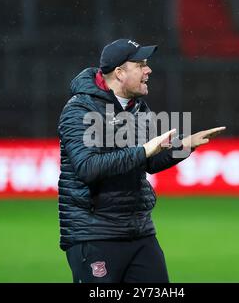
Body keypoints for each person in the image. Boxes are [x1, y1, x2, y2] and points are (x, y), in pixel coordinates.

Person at [57, 38, 225, 283]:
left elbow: (148, 162)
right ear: (120, 72)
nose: (149, 70)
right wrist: (144, 150)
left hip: (139, 231)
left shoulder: (137, 108)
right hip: (95, 234)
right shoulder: (79, 109)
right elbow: (88, 168)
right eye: (141, 65)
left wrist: (185, 146)